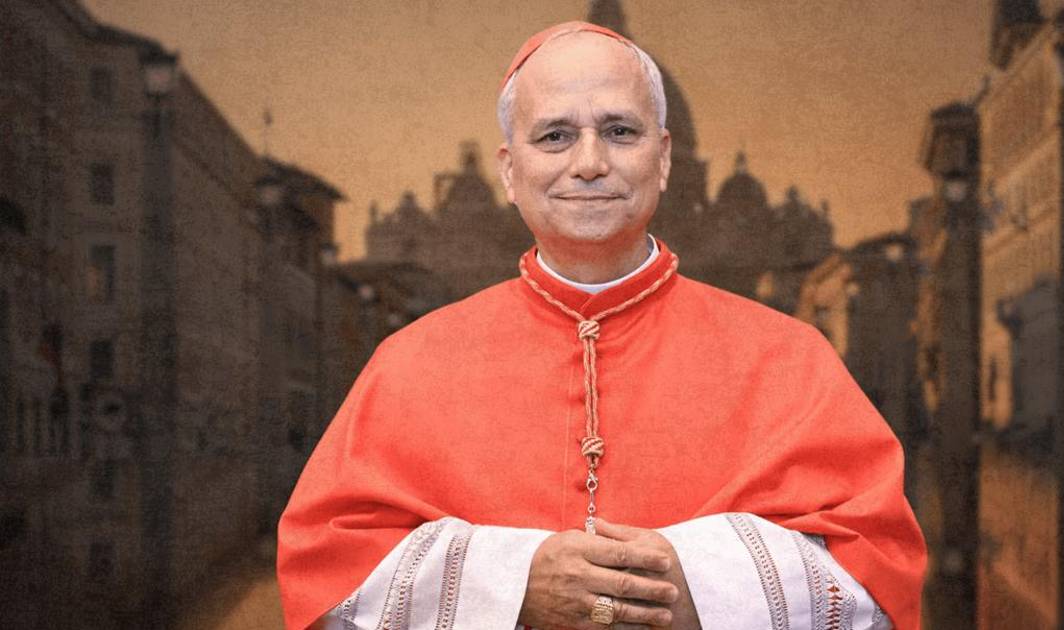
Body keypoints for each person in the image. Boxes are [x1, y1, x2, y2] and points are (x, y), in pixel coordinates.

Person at [278, 21, 926, 630]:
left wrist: (700, 583)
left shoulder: (789, 358)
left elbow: (877, 573)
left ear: (664, 158)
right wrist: (514, 582)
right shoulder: (410, 362)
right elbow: (328, 576)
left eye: (619, 131)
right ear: (509, 170)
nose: (589, 162)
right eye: (554, 137)